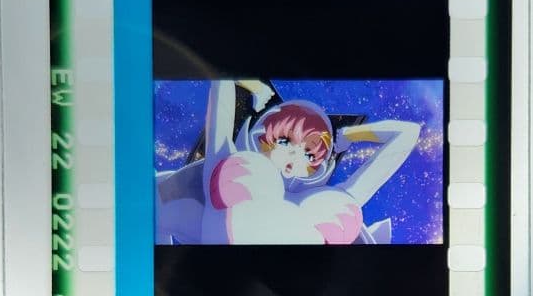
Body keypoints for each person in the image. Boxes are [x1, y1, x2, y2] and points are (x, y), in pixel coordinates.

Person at [156, 80, 421, 245]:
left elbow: (407, 133)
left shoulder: (322, 202)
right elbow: (220, 81)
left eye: (309, 155)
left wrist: (351, 135)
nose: (295, 157)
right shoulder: (224, 157)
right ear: (262, 136)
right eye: (285, 141)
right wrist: (256, 87)